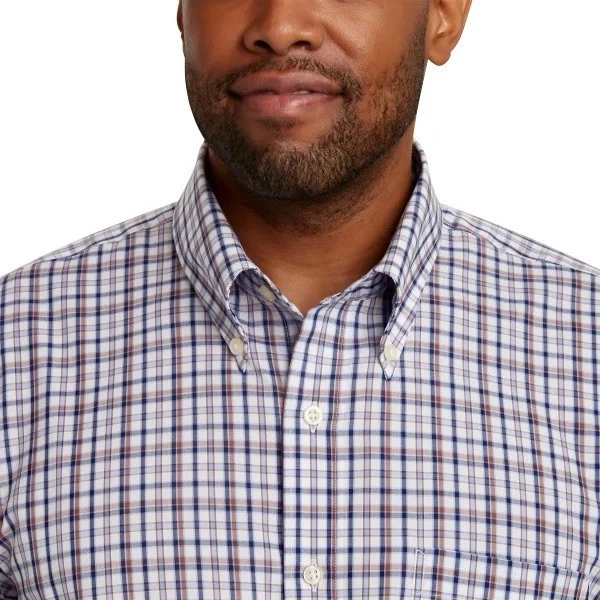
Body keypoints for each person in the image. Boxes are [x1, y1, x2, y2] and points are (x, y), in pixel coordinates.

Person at [1, 0, 598, 597]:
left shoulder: (586, 350)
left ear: (443, 16)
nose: (281, 27)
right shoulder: (16, 348)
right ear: (182, 12)